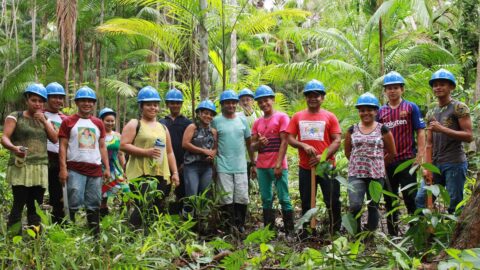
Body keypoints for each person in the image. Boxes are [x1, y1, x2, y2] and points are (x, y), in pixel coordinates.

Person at [285, 79, 342, 234]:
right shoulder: (297, 116)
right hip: (306, 166)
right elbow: (289, 138)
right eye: (309, 95)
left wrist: (322, 157)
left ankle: (335, 230)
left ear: (322, 98)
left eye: (316, 95)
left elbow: (337, 140)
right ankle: (308, 232)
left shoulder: (330, 116)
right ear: (306, 98)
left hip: (326, 166)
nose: (313, 98)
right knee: (306, 201)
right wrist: (303, 145)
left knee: (332, 200)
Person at [1, 83, 58, 236]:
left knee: (36, 205)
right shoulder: (16, 116)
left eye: (41, 101)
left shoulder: (45, 119)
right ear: (27, 99)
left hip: (40, 166)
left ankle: (35, 240)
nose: (37, 104)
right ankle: (14, 238)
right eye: (34, 100)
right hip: (22, 166)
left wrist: (45, 122)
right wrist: (14, 148)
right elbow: (5, 138)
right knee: (18, 203)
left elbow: (54, 139)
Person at [120, 86, 180, 230]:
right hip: (141, 172)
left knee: (157, 204)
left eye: (155, 104)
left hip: (160, 172)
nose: (152, 107)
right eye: (148, 104)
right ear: (141, 106)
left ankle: (149, 236)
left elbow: (169, 152)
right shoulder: (135, 123)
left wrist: (175, 172)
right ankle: (132, 234)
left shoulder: (163, 127)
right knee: (143, 203)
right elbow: (123, 145)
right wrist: (146, 152)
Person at [415, 69, 473, 214]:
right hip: (435, 164)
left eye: (442, 84)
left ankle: (455, 235)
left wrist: (442, 129)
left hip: (454, 163)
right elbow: (429, 143)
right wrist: (426, 165)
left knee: (455, 203)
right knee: (421, 200)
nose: (438, 87)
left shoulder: (459, 107)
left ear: (451, 87)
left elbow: (468, 136)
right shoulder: (431, 112)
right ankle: (429, 233)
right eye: (435, 85)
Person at [377, 71, 426, 236]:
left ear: (402, 89)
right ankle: (393, 234)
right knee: (390, 199)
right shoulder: (381, 112)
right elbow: (377, 136)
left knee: (410, 198)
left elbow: (420, 131)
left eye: (395, 87)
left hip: (407, 161)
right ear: (385, 91)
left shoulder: (411, 108)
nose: (392, 91)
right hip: (387, 162)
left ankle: (415, 233)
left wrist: (420, 155)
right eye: (389, 88)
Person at [58, 86, 110, 235]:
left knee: (94, 203)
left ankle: (95, 234)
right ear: (77, 102)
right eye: (83, 101)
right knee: (73, 202)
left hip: (95, 170)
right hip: (75, 169)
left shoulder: (98, 123)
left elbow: (102, 146)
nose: (86, 104)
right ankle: (71, 233)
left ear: (94, 103)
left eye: (90, 101)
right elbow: (62, 146)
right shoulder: (68, 122)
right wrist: (63, 169)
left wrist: (106, 168)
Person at [345, 93, 396, 233]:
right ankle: (355, 233)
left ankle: (370, 233)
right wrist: (359, 162)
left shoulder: (383, 129)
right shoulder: (352, 129)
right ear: (359, 112)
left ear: (375, 111)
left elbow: (392, 152)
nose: (365, 113)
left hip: (376, 174)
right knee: (355, 205)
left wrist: (378, 163)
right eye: (362, 110)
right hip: (356, 173)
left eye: (369, 109)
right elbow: (347, 152)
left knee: (373, 205)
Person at [250, 85, 294, 236]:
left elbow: (285, 141)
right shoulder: (257, 123)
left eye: (266, 100)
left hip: (277, 165)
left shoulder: (282, 117)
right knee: (266, 199)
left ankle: (290, 232)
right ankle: (269, 231)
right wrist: (259, 144)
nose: (263, 104)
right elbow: (252, 146)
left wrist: (278, 164)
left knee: (284, 198)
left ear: (272, 100)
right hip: (262, 166)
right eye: (260, 102)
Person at [213, 89, 256, 233]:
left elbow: (249, 143)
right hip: (223, 165)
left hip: (241, 165)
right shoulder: (216, 120)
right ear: (222, 104)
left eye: (233, 102)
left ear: (236, 104)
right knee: (226, 198)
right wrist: (213, 165)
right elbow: (213, 143)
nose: (230, 105)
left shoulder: (242, 120)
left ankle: (240, 224)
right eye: (227, 103)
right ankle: (228, 225)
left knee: (242, 196)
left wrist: (253, 162)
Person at [181, 100, 217, 216]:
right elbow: (185, 144)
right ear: (199, 113)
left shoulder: (213, 131)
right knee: (191, 195)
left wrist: (212, 155)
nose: (208, 116)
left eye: (211, 114)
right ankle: (188, 222)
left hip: (206, 167)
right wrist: (203, 151)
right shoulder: (192, 127)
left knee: (205, 195)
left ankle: (203, 224)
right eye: (205, 113)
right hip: (192, 166)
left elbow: (215, 148)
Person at [159, 88, 192, 214]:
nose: (175, 105)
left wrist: (184, 163)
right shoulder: (161, 123)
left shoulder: (187, 123)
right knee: (163, 191)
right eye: (172, 102)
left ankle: (181, 217)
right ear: (167, 104)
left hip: (184, 164)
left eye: (178, 103)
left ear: (181, 104)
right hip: (165, 164)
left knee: (183, 192)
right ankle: (161, 216)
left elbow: (191, 143)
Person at [44, 82, 68, 224]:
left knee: (58, 195)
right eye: (54, 97)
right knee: (37, 193)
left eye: (60, 97)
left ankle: (58, 225)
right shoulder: (39, 115)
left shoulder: (64, 118)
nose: (58, 100)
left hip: (59, 160)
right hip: (42, 159)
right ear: (47, 98)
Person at [98, 108, 128, 217]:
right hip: (102, 168)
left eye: (112, 121)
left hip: (116, 168)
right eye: (107, 120)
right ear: (101, 120)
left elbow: (121, 153)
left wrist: (124, 169)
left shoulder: (118, 136)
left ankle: (123, 216)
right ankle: (102, 219)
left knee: (125, 190)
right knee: (103, 195)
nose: (110, 123)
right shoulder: (98, 135)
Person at [236, 88, 262, 187]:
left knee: (261, 182)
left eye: (248, 99)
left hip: (259, 155)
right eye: (242, 100)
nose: (245, 102)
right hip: (243, 156)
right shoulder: (237, 116)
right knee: (244, 183)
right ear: (239, 103)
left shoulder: (260, 115)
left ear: (253, 101)